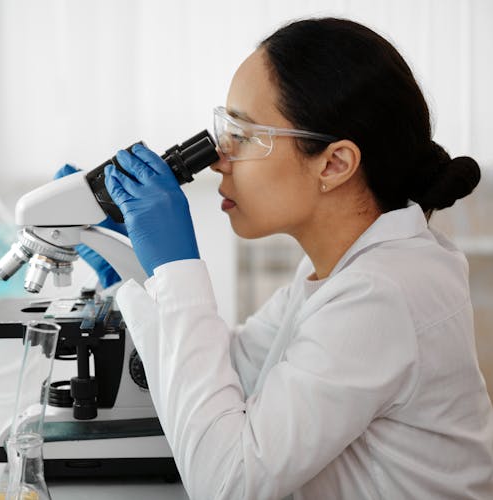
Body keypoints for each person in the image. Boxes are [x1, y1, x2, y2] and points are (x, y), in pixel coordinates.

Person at [63, 17, 493, 499]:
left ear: (334, 164)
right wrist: (136, 272)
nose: (219, 161)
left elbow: (225, 481)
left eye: (242, 137)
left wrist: (178, 271)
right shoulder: (349, 266)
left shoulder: (382, 293)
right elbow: (237, 371)